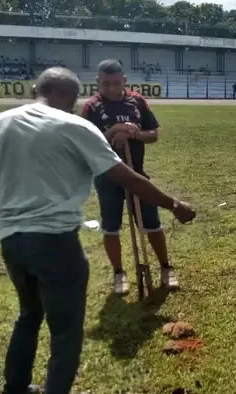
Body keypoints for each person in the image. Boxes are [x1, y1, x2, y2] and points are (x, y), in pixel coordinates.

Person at [0, 67, 195, 394]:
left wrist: (19, 197)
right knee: (65, 331)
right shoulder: (75, 125)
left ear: (36, 88)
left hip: (12, 241)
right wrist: (174, 204)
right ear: (74, 99)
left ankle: (14, 388)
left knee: (29, 316)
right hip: (55, 243)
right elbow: (128, 179)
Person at [82, 59, 178, 294]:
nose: (112, 89)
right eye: (106, 84)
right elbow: (86, 144)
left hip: (136, 173)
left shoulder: (137, 101)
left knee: (152, 224)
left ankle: (166, 268)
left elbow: (153, 134)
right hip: (107, 177)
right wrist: (113, 131)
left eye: (116, 83)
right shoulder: (92, 107)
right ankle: (119, 273)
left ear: (124, 80)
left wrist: (135, 134)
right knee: (111, 228)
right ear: (98, 83)